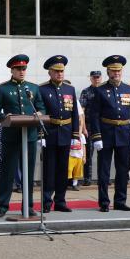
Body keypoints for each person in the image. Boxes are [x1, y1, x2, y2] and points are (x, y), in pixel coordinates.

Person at [0, 54, 45, 218]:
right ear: (12, 70)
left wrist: (40, 114)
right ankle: (2, 205)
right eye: (18, 69)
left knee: (28, 173)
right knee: (8, 172)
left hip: (29, 136)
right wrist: (4, 118)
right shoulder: (2, 88)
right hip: (11, 136)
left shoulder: (33, 88)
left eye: (24, 69)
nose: (22, 72)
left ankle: (28, 206)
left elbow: (40, 106)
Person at [88, 55, 130, 212]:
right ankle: (104, 202)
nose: (116, 73)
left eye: (118, 70)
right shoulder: (100, 90)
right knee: (103, 171)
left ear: (121, 71)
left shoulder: (129, 90)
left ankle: (120, 201)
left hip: (124, 134)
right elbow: (94, 115)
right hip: (106, 134)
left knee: (123, 170)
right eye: (113, 70)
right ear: (108, 71)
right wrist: (96, 136)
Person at [39, 55, 80, 213]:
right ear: (50, 72)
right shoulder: (42, 89)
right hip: (49, 133)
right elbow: (40, 113)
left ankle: (61, 201)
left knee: (63, 170)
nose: (59, 74)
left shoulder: (70, 89)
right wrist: (40, 135)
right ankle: (46, 201)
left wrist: (75, 135)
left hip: (66, 133)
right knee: (49, 170)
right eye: (56, 71)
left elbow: (74, 113)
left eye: (61, 71)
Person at [79, 70, 103, 185]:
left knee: (103, 154)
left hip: (103, 127)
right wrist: (83, 127)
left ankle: (103, 178)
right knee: (88, 154)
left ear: (101, 78)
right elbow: (81, 111)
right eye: (94, 77)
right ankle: (87, 178)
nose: (96, 79)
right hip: (89, 126)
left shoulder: (105, 90)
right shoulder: (86, 92)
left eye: (98, 77)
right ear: (91, 78)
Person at [68, 112, 86, 191]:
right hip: (71, 155)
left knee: (77, 171)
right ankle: (66, 183)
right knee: (68, 170)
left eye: (80, 126)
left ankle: (74, 184)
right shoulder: (69, 135)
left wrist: (84, 156)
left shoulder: (81, 136)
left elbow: (84, 146)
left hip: (79, 156)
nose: (78, 128)